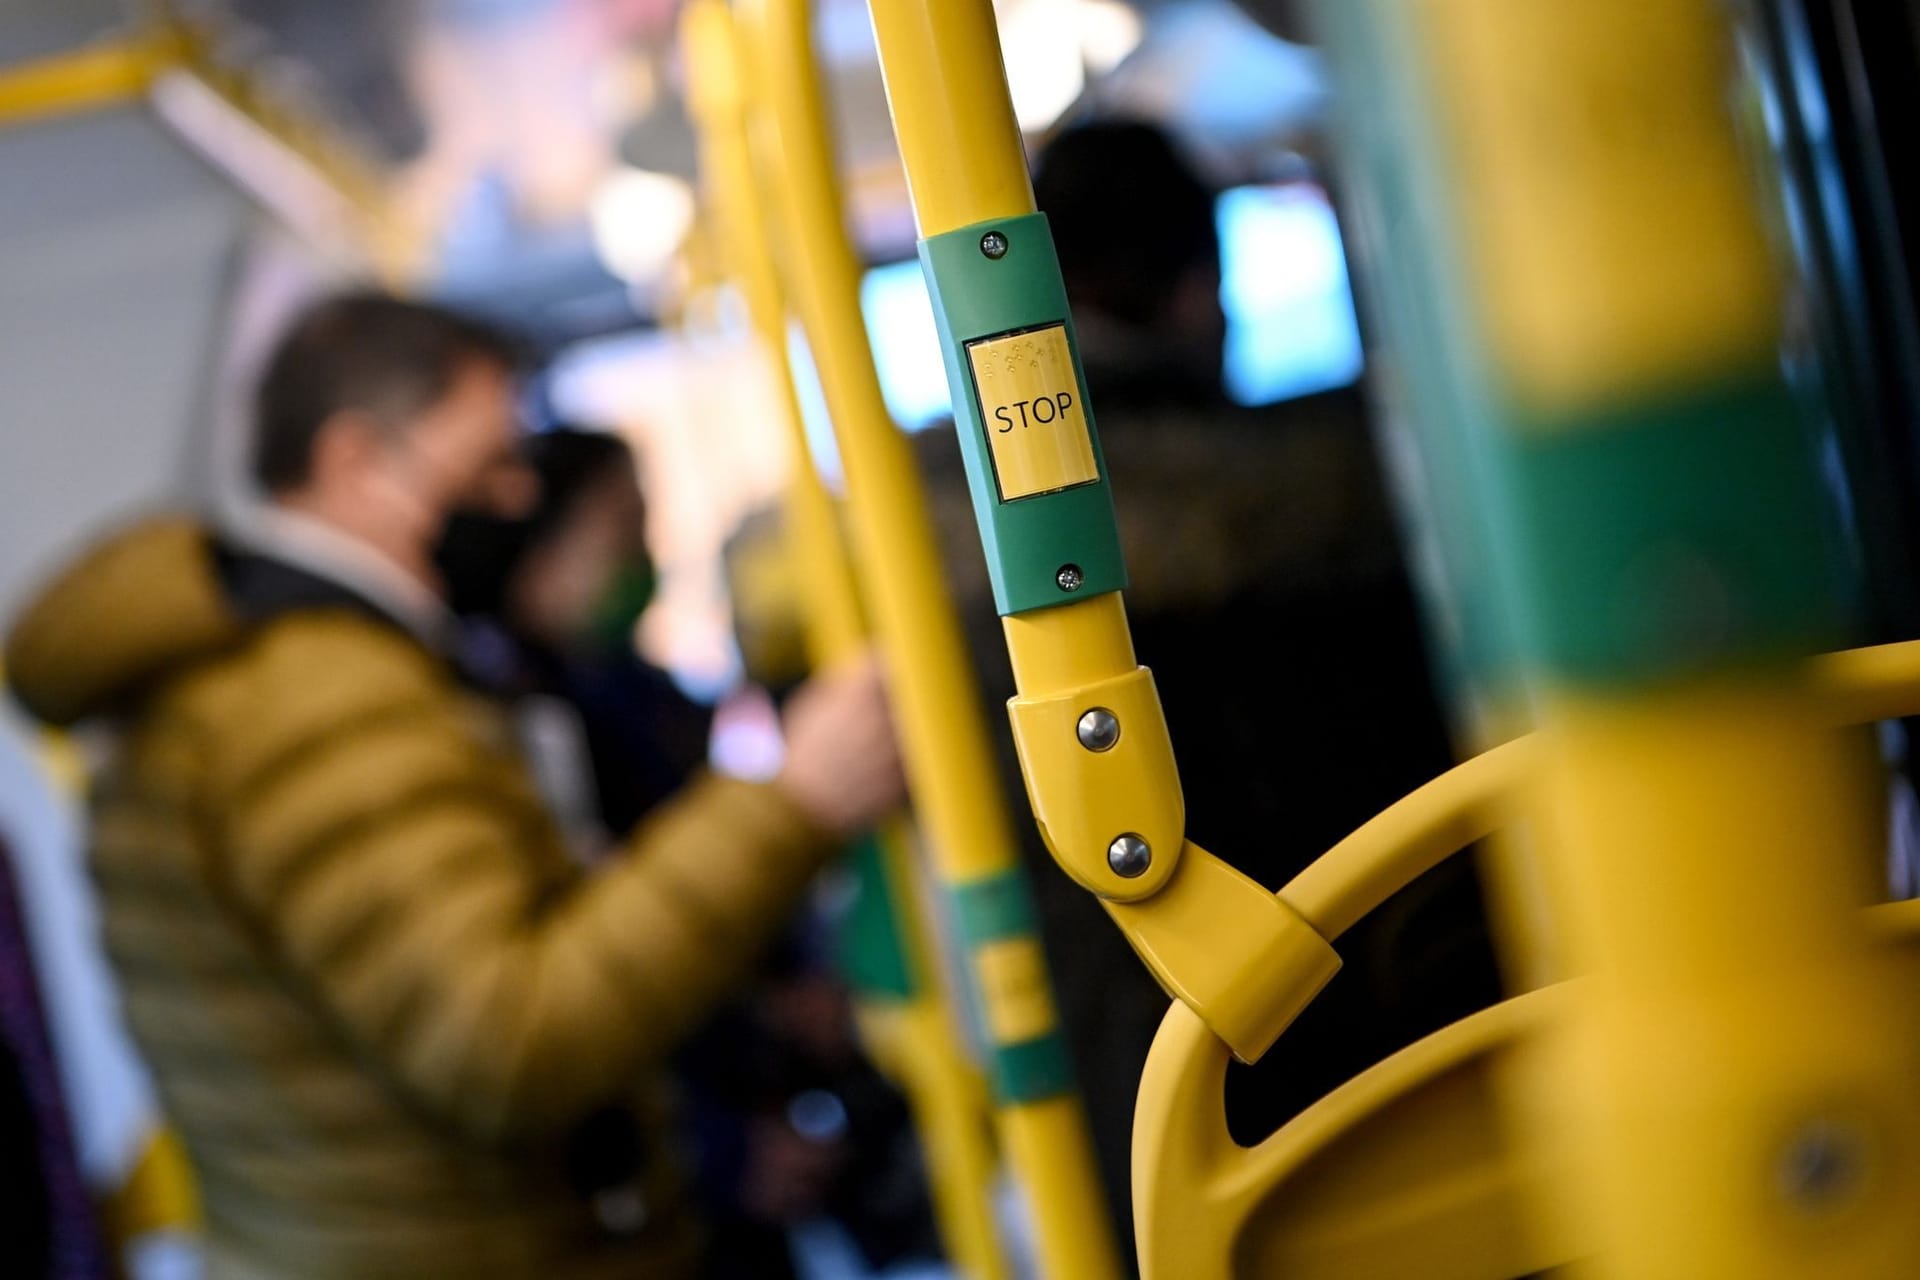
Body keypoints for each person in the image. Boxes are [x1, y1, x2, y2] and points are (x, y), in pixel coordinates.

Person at [5, 292, 905, 1280]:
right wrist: (791, 804)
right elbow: (508, 1041)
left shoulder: (276, 674)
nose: (519, 496)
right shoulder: (314, 700)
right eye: (489, 463)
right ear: (355, 458)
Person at [915, 120, 1502, 1249]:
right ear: (1195, 288)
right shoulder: (1348, 491)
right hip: (1389, 1028)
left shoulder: (936, 527)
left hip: (1132, 1089)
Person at [436, 428, 939, 1277]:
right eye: (621, 524)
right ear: (547, 542)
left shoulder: (641, 693)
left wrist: (786, 986)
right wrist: (718, 1147)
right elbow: (599, 960)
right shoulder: (521, 726)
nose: (645, 550)